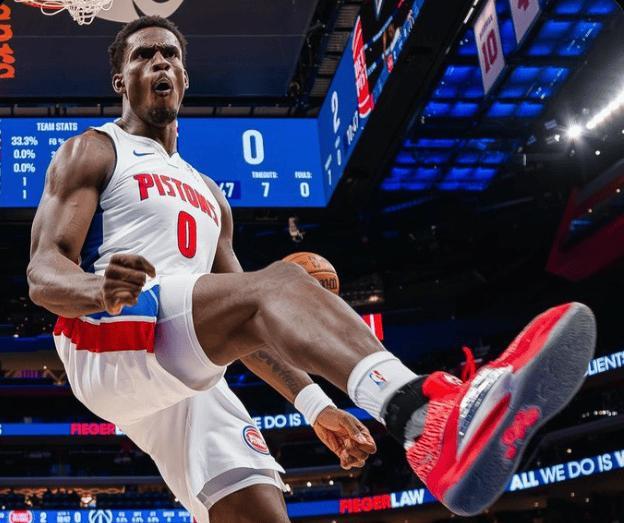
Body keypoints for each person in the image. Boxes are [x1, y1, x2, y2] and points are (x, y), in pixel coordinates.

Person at [27, 15, 596, 522]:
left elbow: (248, 324)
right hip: (111, 333)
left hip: (179, 362)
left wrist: (317, 406)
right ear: (119, 80)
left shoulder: (210, 196)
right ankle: (423, 415)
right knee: (279, 282)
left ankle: (422, 421)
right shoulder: (95, 149)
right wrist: (97, 289)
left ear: (185, 76)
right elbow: (43, 272)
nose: (159, 63)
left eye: (169, 54)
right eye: (143, 55)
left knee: (255, 506)